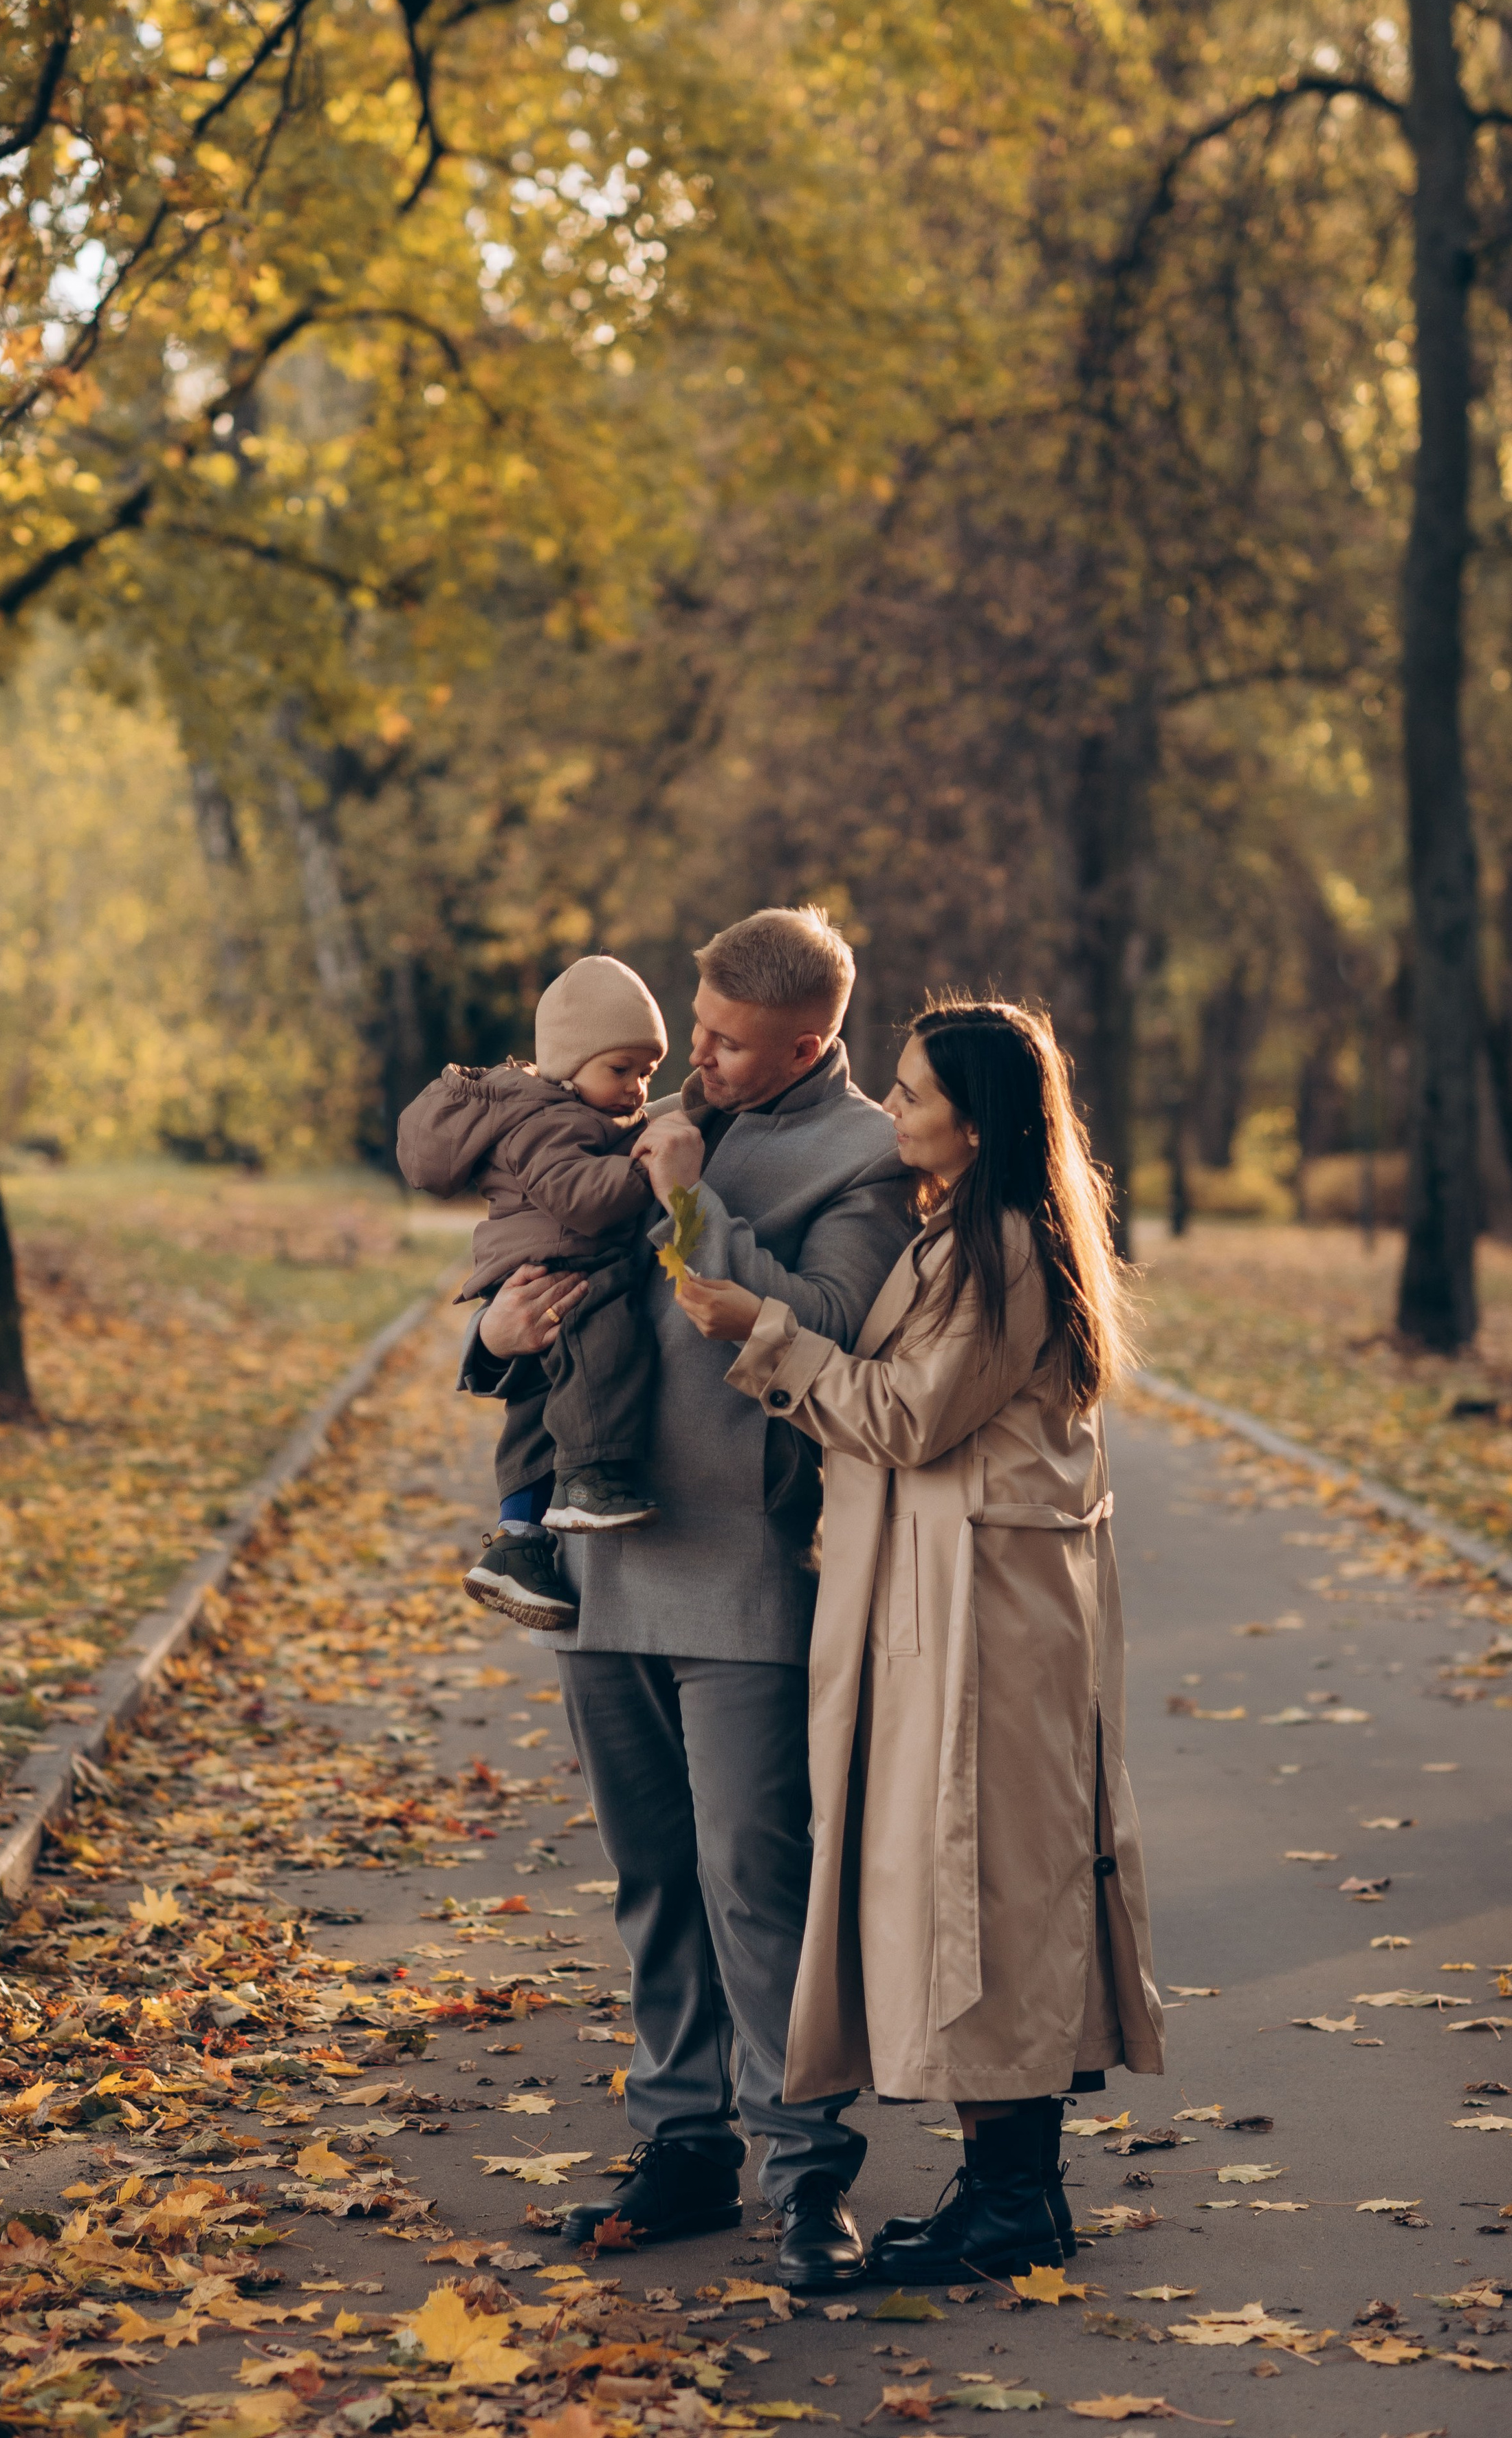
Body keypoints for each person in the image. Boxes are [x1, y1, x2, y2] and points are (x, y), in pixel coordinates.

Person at [459, 907, 917, 2290]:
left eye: (725, 1043)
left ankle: (805, 2167)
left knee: (753, 1877)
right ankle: (683, 2143)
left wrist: (693, 1200)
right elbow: (541, 1261)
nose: (695, 1061)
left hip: (745, 1566)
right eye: (695, 1030)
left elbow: (828, 1324)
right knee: (652, 1875)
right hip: (600, 1561)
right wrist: (490, 1337)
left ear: (809, 1045)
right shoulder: (640, 1117)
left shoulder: (862, 1157)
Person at [675, 997, 1165, 2285]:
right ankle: (1012, 2193)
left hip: (984, 1617)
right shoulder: (974, 1231)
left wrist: (761, 1334)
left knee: (982, 1886)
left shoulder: (1000, 1245)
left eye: (910, 1091)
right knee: (976, 1884)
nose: (889, 1107)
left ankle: (1010, 2201)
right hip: (962, 1600)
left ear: (977, 1120)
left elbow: (908, 1415)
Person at [397, 956, 670, 1617]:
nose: (637, 1089)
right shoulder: (551, 1120)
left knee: (537, 1414)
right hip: (562, 1265)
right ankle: (591, 1477)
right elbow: (579, 1197)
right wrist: (652, 1173)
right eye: (621, 1069)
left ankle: (515, 1543)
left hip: (545, 1263)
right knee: (606, 1346)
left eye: (648, 1072)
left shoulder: (564, 1111)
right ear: (569, 1064)